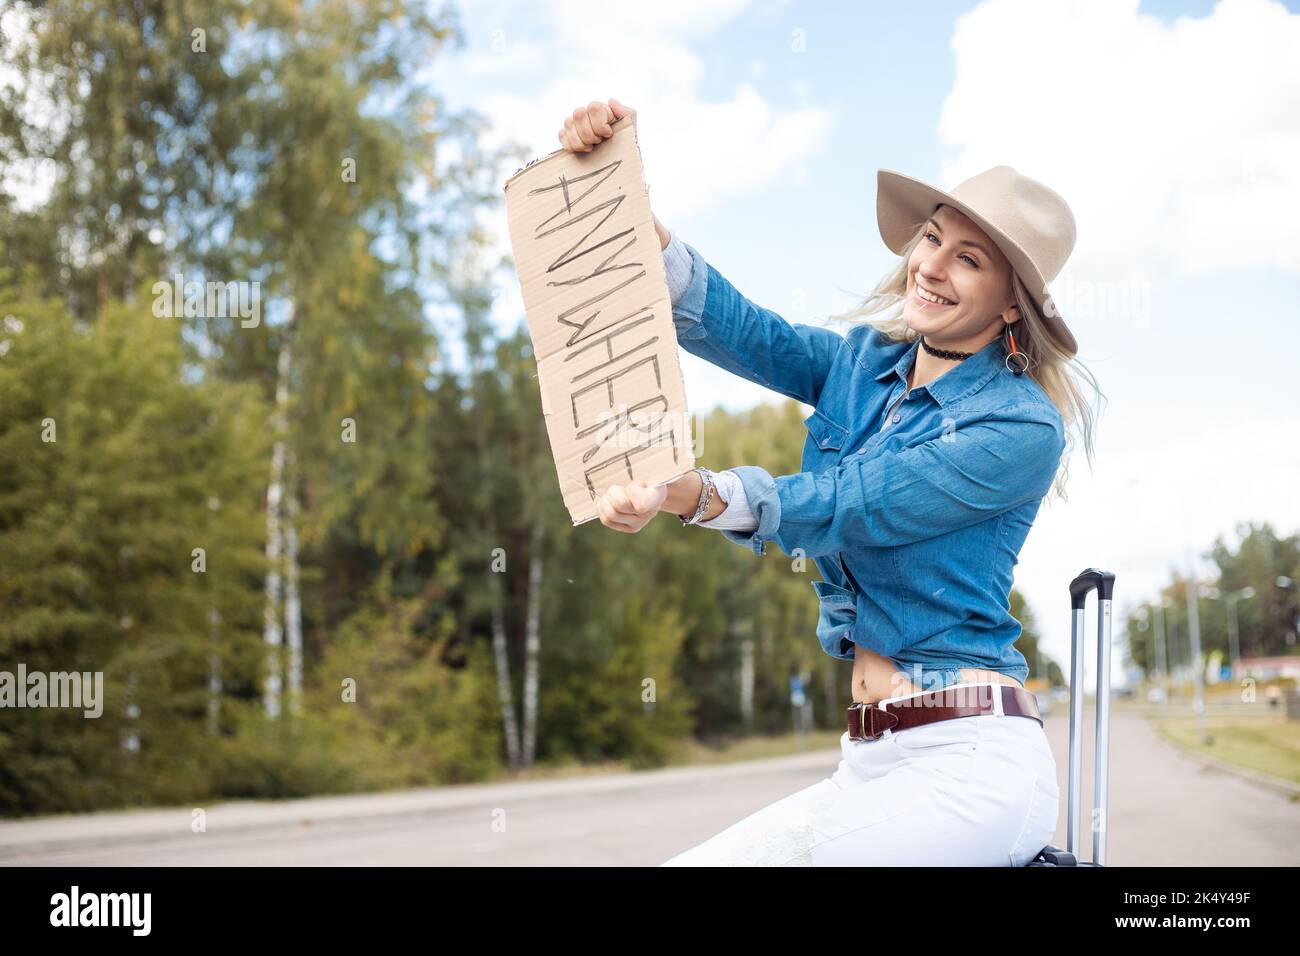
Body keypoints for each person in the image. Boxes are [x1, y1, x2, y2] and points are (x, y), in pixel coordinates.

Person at [556, 99, 1102, 866]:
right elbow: (755, 334)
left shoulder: (1021, 428)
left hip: (969, 764)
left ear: (1012, 301)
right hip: (871, 761)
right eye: (933, 239)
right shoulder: (861, 366)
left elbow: (858, 505)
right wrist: (639, 227)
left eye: (970, 259)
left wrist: (696, 493)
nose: (933, 267)